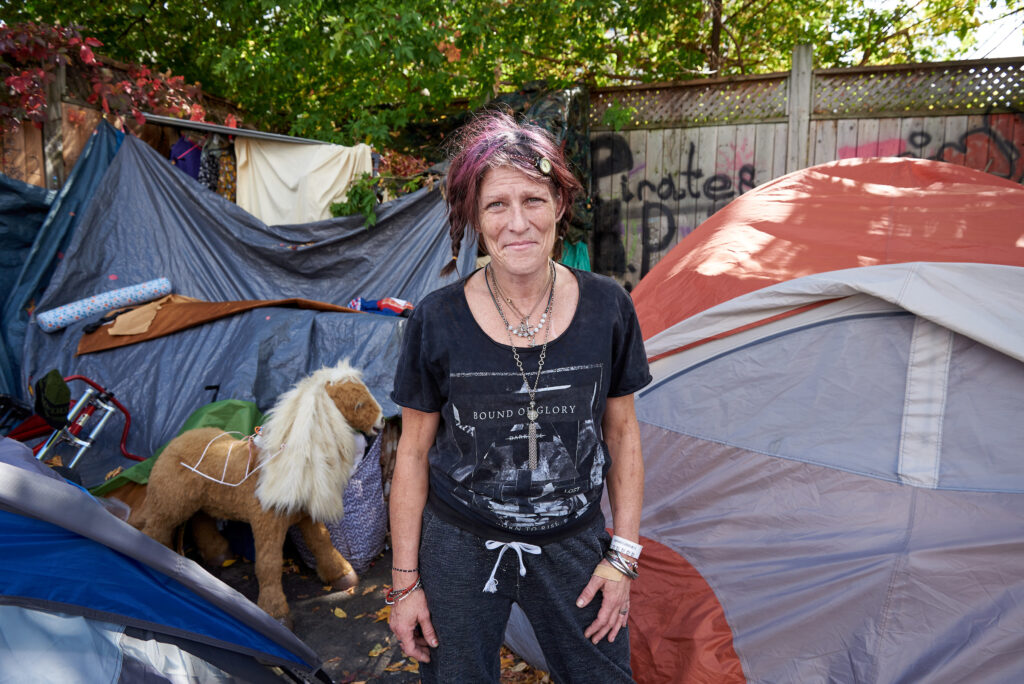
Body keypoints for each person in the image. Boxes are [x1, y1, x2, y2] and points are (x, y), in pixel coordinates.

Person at [387, 110, 651, 683]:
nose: (517, 223)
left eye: (532, 199)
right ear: (475, 219)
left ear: (558, 203)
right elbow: (411, 455)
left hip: (574, 542)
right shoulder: (437, 319)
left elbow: (623, 433)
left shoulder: (608, 307)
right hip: (458, 545)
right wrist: (405, 584)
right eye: (496, 205)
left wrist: (623, 558)